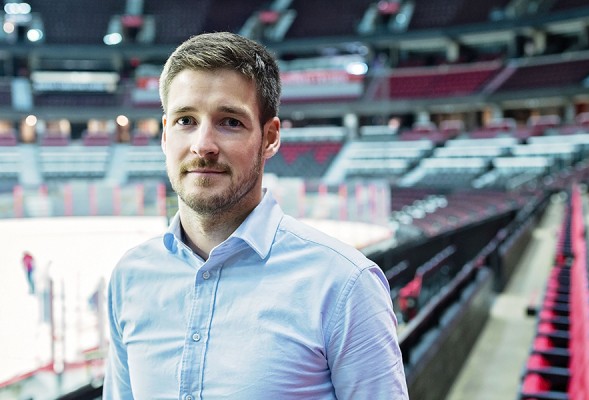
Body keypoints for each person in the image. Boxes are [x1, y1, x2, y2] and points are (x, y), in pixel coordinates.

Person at [103, 31, 409, 399]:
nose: (203, 145)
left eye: (230, 121)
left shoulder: (344, 285)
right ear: (165, 135)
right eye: (186, 120)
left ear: (270, 138)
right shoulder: (130, 278)